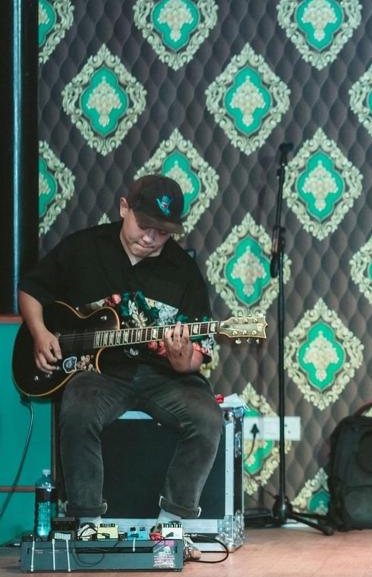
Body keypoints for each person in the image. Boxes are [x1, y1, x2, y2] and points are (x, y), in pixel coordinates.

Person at [18, 175, 224, 556]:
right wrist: (40, 332)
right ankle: (88, 524)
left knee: (208, 418)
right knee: (77, 409)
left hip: (163, 377)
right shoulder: (84, 248)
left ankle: (171, 526)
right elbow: (31, 289)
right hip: (101, 375)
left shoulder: (183, 271)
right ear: (124, 208)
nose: (151, 238)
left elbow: (195, 355)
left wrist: (182, 358)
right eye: (144, 225)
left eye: (163, 232)